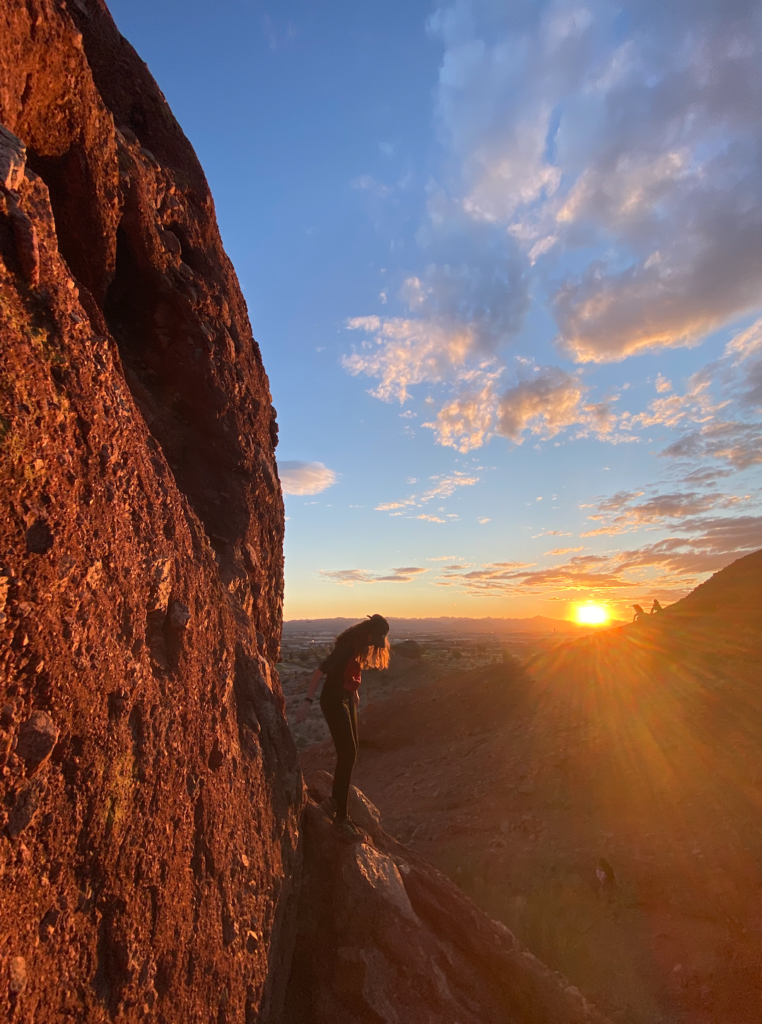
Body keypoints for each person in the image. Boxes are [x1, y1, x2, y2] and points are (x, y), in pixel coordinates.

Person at [296, 614, 390, 842]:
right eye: (374, 639)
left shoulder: (359, 645)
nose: (373, 644)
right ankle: (340, 817)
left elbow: (349, 671)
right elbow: (321, 670)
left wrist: (354, 693)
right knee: (347, 752)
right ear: (369, 633)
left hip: (345, 698)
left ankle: (334, 805)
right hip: (332, 699)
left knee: (352, 752)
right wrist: (307, 701)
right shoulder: (348, 645)